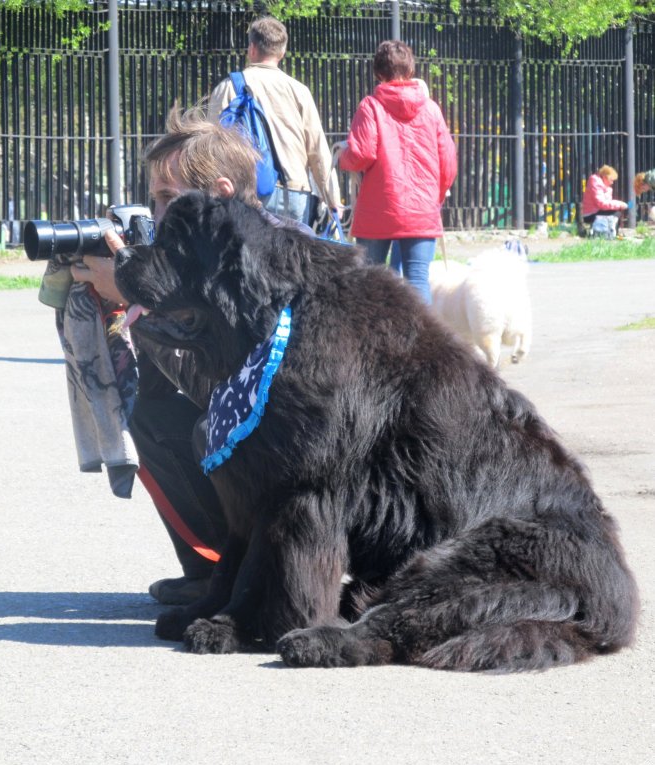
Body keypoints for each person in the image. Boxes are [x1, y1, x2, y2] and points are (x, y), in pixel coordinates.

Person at [71, 104, 308, 605]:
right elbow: (160, 387)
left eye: (167, 201)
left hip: (309, 467)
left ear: (218, 194)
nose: (156, 217)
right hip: (280, 449)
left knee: (210, 429)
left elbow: (232, 393)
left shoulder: (270, 257)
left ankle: (255, 573)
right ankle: (211, 568)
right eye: (152, 201)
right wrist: (125, 309)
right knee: (146, 410)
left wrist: (142, 297)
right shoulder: (207, 256)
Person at [337, 40, 457, 304]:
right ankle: (419, 342)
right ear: (411, 69)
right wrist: (433, 197)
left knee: (370, 280)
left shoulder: (371, 106)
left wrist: (343, 158)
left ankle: (372, 340)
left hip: (380, 207)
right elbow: (448, 161)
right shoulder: (431, 109)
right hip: (422, 208)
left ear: (378, 73)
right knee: (417, 279)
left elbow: (361, 154)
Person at [203, 16, 342, 226]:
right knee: (292, 258)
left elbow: (210, 147)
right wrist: (332, 199)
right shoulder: (299, 91)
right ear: (282, 52)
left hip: (246, 193)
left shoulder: (228, 88)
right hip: (294, 191)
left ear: (251, 48)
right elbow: (318, 150)